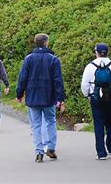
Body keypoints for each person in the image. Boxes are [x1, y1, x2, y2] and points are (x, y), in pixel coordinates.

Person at [16, 33, 65, 163]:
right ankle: (51, 147)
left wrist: (19, 94)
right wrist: (60, 98)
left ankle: (39, 152)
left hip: (32, 97)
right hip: (49, 96)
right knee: (50, 121)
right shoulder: (53, 59)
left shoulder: (28, 59)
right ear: (46, 43)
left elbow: (22, 78)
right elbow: (58, 81)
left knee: (36, 125)